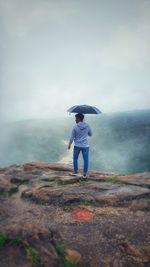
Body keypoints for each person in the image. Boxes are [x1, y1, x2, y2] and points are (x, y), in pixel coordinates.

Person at [68, 113, 92, 178]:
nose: (75, 120)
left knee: (75, 158)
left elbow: (72, 137)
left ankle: (75, 172)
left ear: (79, 118)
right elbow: (90, 134)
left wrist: (69, 144)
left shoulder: (75, 127)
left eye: (76, 118)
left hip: (77, 146)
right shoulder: (87, 125)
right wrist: (85, 132)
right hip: (85, 146)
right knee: (86, 159)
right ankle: (85, 174)